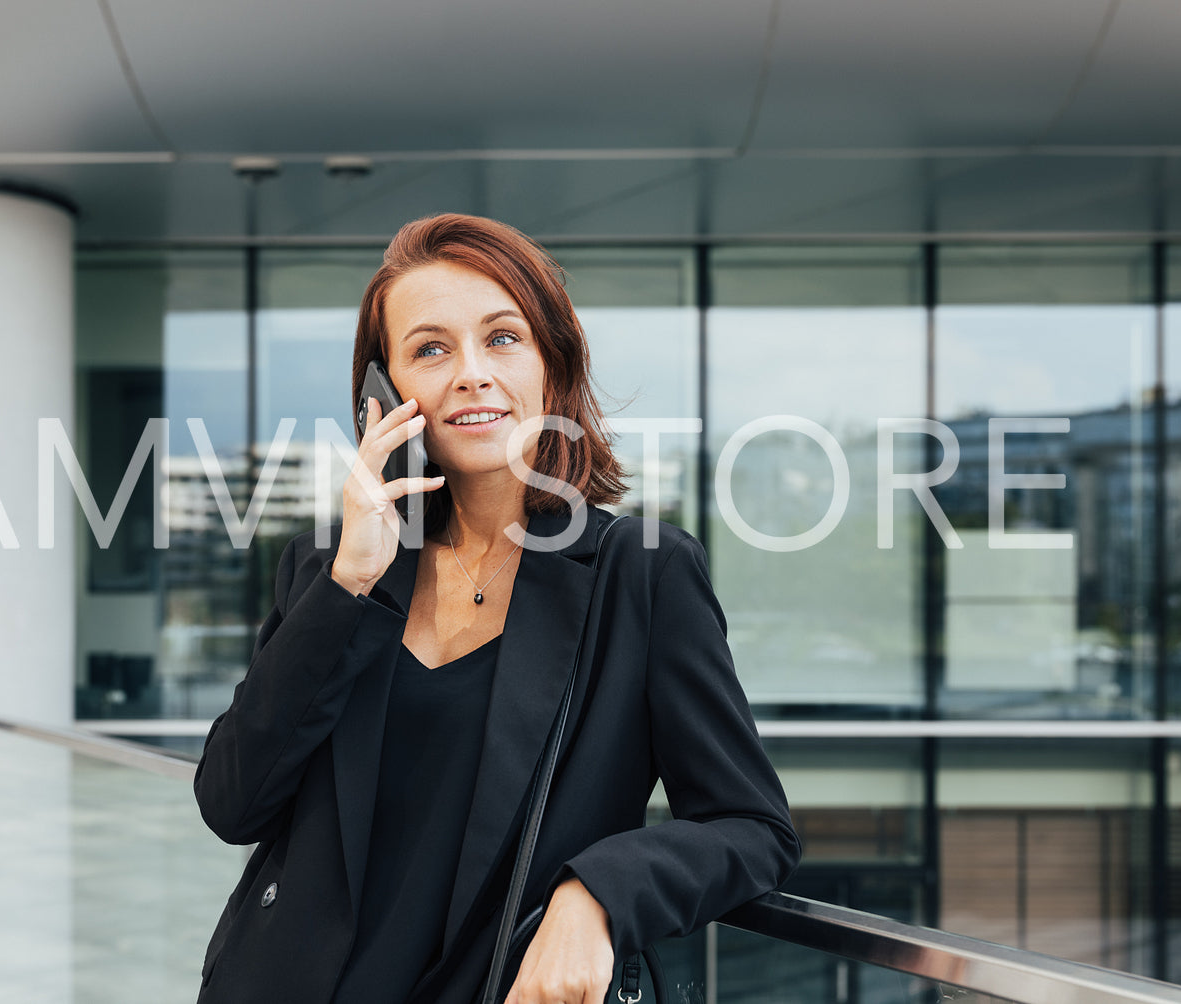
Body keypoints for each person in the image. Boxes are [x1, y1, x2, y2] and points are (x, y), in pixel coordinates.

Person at [194, 213, 800, 1004]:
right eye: (430, 349)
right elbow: (233, 804)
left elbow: (752, 829)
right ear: (386, 394)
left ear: (552, 363)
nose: (471, 373)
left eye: (503, 338)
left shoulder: (641, 575)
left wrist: (596, 894)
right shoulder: (327, 567)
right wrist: (348, 585)